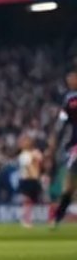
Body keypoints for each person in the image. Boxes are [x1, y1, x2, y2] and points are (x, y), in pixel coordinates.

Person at [50, 70, 77, 229]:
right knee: (69, 185)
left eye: (73, 78)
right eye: (68, 79)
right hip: (75, 146)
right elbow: (61, 121)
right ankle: (57, 217)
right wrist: (54, 137)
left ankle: (57, 218)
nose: (70, 81)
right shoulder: (69, 99)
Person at [17, 135, 45, 228]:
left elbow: (41, 163)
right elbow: (28, 167)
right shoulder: (23, 155)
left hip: (34, 179)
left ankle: (28, 218)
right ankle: (25, 219)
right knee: (27, 200)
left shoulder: (35, 153)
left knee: (33, 201)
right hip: (27, 179)